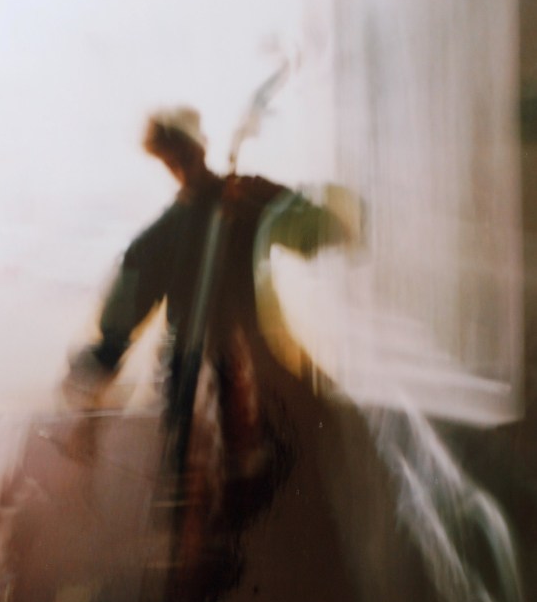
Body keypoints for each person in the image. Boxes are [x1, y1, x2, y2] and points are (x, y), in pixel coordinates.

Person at [61, 106, 360, 495]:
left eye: (185, 154)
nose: (182, 167)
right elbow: (119, 323)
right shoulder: (160, 238)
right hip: (188, 375)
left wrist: (274, 208)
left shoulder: (246, 196)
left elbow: (320, 229)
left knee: (315, 430)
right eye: (172, 160)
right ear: (163, 161)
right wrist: (90, 398)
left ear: (201, 146)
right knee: (190, 478)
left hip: (259, 361)